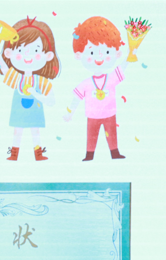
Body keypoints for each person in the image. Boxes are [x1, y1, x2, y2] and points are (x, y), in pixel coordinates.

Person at [62, 16, 131, 161]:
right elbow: (76, 99)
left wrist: (130, 55)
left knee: (112, 134)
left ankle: (115, 152)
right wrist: (70, 113)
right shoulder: (86, 83)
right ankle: (89, 155)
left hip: (109, 114)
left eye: (107, 52)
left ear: (117, 53)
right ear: (79, 55)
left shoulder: (111, 78)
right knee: (91, 136)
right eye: (92, 52)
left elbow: (122, 68)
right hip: (92, 115)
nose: (99, 57)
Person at [0, 17, 60, 162]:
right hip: (19, 113)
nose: (27, 56)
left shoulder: (41, 82)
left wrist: (35, 93)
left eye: (35, 50)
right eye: (20, 50)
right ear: (9, 53)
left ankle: (38, 154)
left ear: (48, 56)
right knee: (17, 131)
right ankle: (14, 154)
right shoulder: (18, 78)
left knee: (35, 132)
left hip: (34, 113)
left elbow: (51, 101)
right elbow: (6, 71)